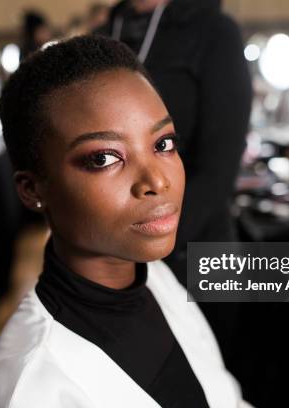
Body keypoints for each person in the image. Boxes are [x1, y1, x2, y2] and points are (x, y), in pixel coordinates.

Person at [0, 35, 248, 407]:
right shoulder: (31, 388)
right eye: (104, 158)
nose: (157, 181)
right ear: (32, 188)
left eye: (163, 144)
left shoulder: (157, 281)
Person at [98, 0, 252, 283]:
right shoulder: (103, 34)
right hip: (117, 250)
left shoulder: (213, 31)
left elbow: (219, 168)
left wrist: (146, 244)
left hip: (194, 248)